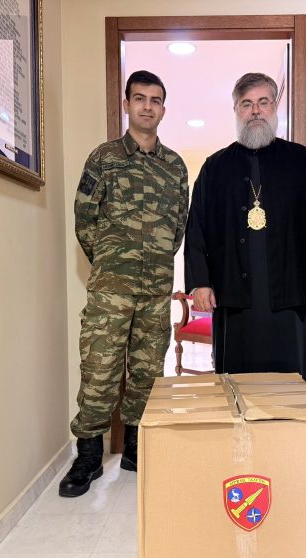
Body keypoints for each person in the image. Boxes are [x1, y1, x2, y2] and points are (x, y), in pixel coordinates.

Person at [60, 71, 189, 497]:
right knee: (100, 369)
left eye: (155, 100)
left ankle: (135, 448)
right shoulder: (104, 157)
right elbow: (84, 219)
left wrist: (153, 264)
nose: (147, 106)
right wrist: (110, 261)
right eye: (140, 98)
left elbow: (179, 226)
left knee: (148, 372)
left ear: (163, 108)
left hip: (155, 290)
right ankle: (88, 456)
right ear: (127, 104)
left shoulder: (175, 166)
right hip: (111, 289)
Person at [183, 73, 306, 381]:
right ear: (236, 110)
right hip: (232, 296)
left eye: (263, 102)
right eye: (246, 104)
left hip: (290, 294)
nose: (255, 111)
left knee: (289, 385)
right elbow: (196, 228)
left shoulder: (303, 161)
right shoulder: (215, 167)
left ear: (274, 107)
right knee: (236, 385)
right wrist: (199, 283)